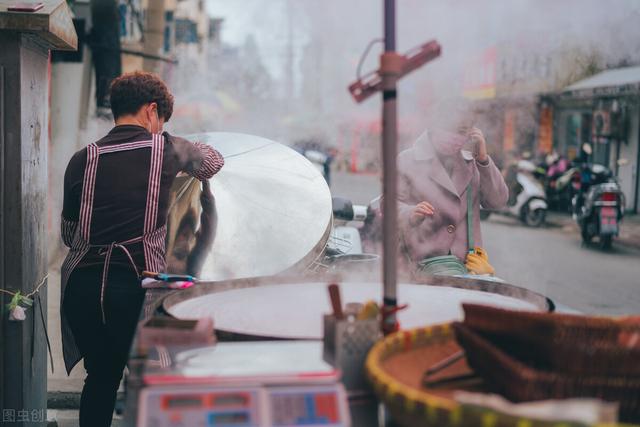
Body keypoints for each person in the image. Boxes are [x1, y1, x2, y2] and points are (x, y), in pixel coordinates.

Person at [59, 71, 224, 427]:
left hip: (82, 289)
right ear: (152, 111)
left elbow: (69, 234)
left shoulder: (81, 158)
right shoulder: (167, 148)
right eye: (161, 119)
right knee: (147, 375)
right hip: (133, 288)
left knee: (100, 377)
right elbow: (213, 163)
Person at [397, 115, 508, 276]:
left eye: (461, 132)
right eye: (448, 129)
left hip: (466, 268)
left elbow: (498, 201)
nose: (454, 137)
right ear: (434, 127)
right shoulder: (407, 159)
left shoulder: (473, 163)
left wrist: (483, 160)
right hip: (419, 264)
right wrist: (409, 213)